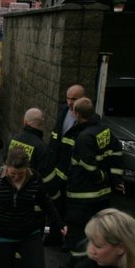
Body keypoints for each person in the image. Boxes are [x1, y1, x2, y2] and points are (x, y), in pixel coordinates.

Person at [60, 97, 125, 268]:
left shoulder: (84, 137)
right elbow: (117, 151)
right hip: (102, 194)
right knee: (98, 228)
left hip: (82, 194)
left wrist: (102, 176)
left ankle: (76, 264)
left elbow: (88, 166)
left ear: (76, 114)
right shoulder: (105, 130)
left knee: (77, 230)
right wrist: (115, 179)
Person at [7, 108, 58, 268]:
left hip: (13, 199)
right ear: (41, 123)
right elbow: (48, 179)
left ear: (24, 121)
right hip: (34, 205)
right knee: (31, 239)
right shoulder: (42, 147)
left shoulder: (14, 141)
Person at [48, 84, 86, 248]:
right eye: (68, 98)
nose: (70, 102)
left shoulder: (88, 118)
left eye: (74, 99)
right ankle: (54, 237)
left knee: (71, 211)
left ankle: (69, 242)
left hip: (73, 173)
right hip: (59, 169)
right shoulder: (63, 112)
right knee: (56, 205)